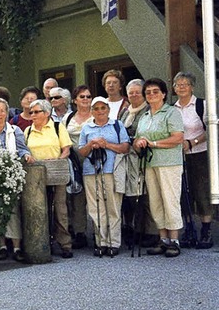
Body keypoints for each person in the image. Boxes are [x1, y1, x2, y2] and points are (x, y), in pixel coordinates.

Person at [133, 78, 184, 258]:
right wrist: (138, 143)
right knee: (155, 201)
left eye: (155, 91)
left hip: (169, 163)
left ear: (163, 94)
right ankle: (162, 239)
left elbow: (178, 138)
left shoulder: (171, 112)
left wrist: (153, 143)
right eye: (148, 92)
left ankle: (174, 240)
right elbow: (138, 139)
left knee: (170, 200)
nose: (151, 95)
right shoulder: (145, 116)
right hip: (149, 164)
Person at [0, 98, 33, 262]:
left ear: (6, 112)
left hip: (11, 176)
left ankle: (16, 247)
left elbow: (22, 149)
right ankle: (1, 245)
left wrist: (25, 155)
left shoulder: (15, 130)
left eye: (2, 110)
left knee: (13, 211)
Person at [78, 97, 130, 257]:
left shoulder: (116, 125)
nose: (100, 111)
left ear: (108, 110)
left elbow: (125, 147)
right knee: (95, 208)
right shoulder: (86, 127)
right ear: (92, 111)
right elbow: (81, 152)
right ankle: (101, 242)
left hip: (111, 170)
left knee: (113, 206)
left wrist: (106, 145)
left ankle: (113, 243)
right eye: (96, 109)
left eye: (103, 108)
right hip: (91, 171)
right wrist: (91, 144)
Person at [24, 99, 73, 258]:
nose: (33, 115)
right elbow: (25, 151)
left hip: (56, 172)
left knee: (60, 209)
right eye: (31, 112)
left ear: (46, 113)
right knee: (40, 209)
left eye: (36, 112)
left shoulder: (58, 127)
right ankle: (44, 242)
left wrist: (58, 159)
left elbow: (66, 150)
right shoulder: (28, 131)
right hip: (35, 176)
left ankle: (65, 243)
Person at [173, 71, 213, 249]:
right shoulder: (171, 108)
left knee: (201, 192)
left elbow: (211, 130)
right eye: (178, 84)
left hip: (199, 154)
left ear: (192, 87)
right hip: (178, 155)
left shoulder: (201, 105)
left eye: (185, 84)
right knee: (183, 193)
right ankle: (189, 229)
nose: (181, 87)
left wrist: (192, 141)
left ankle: (206, 231)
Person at [119, 79, 159, 247]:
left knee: (146, 194)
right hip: (126, 159)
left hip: (144, 157)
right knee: (129, 195)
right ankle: (131, 228)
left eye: (137, 92)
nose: (134, 95)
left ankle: (149, 231)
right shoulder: (124, 112)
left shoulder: (149, 111)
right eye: (131, 92)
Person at [61, 85, 93, 249]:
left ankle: (101, 233)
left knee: (95, 197)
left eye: (88, 96)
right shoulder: (68, 118)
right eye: (82, 97)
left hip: (92, 158)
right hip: (74, 160)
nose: (86, 99)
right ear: (74, 100)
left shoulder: (97, 115)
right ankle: (79, 232)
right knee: (76, 196)